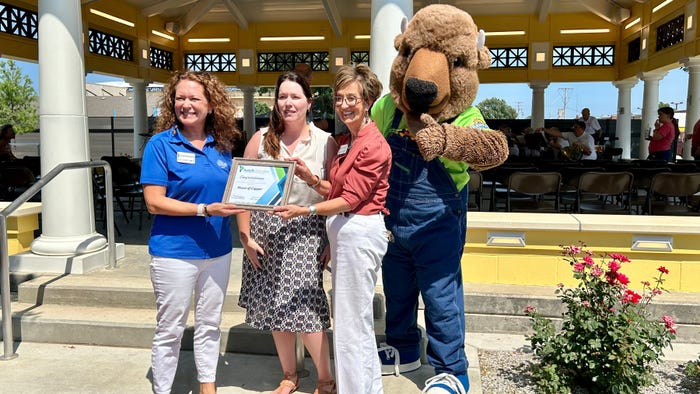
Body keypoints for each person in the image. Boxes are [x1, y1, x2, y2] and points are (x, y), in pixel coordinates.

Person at [274, 63, 391, 394]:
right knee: (351, 324)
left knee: (353, 326)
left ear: (367, 100)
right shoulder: (347, 141)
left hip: (359, 232)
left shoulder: (373, 144)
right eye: (339, 98)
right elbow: (337, 190)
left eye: (351, 98)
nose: (344, 105)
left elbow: (351, 199)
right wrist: (311, 179)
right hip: (345, 236)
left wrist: (304, 209)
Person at [140, 71, 245, 394]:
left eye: (194, 98)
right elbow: (154, 202)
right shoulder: (160, 145)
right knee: (170, 330)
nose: (185, 104)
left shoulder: (224, 145)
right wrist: (204, 210)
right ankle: (162, 389)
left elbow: (236, 193)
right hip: (174, 253)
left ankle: (207, 388)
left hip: (218, 251)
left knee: (210, 325)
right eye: (180, 98)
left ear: (211, 104)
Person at [237, 71, 338, 394]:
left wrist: (331, 242)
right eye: (283, 96)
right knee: (276, 308)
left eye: (295, 97)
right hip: (266, 233)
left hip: (306, 233)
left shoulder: (325, 142)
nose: (288, 103)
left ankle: (325, 378)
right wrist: (245, 237)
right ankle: (289, 375)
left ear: (309, 102)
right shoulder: (261, 138)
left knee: (306, 307)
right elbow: (242, 192)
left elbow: (336, 194)